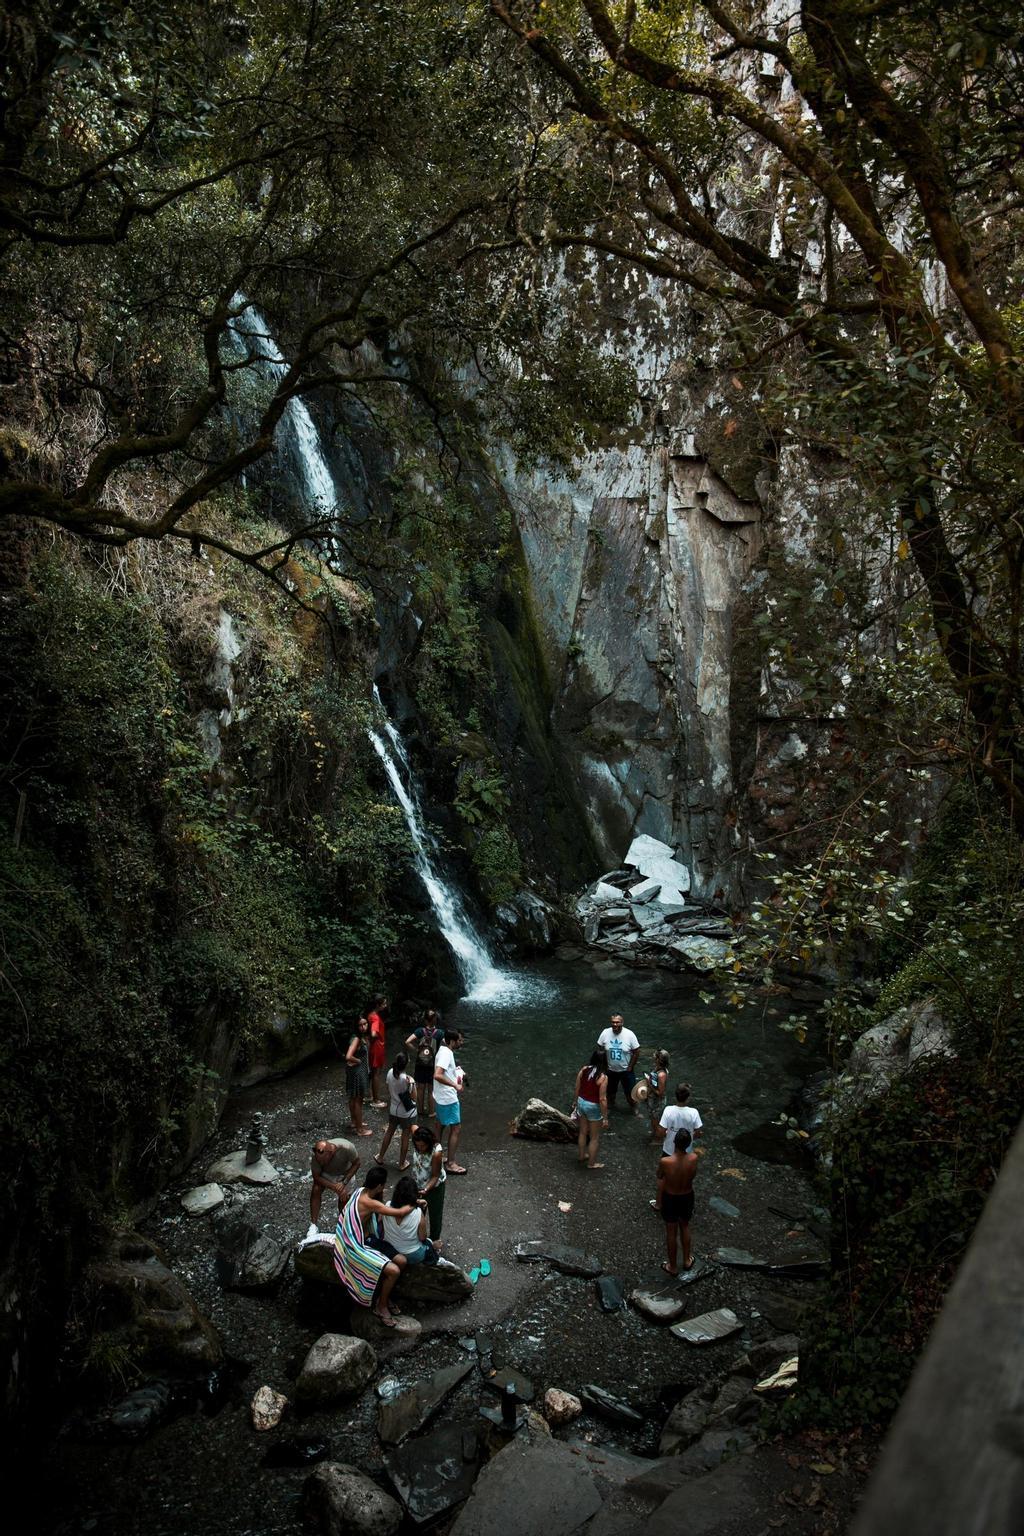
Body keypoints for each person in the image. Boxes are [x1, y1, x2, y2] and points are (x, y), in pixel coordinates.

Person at [333, 1163, 415, 1327]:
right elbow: (399, 1212)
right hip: (357, 1244)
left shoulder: (360, 1191)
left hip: (369, 1238)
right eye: (383, 1185)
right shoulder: (369, 1202)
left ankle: (385, 1295)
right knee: (394, 1270)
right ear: (378, 1186)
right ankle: (381, 1306)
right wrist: (414, 1202)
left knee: (402, 1261)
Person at [656, 1127, 699, 1273]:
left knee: (671, 1231)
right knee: (685, 1226)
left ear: (674, 1142)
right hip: (687, 1195)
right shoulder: (694, 1158)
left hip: (670, 1197)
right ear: (688, 1143)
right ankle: (687, 1260)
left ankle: (672, 1266)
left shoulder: (666, 1161)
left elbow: (660, 1175)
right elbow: (693, 1175)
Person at [378, 1174, 438, 1266]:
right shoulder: (417, 1213)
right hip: (412, 1255)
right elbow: (422, 1237)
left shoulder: (387, 1206)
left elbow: (380, 1221)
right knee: (428, 1244)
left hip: (390, 1251)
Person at [307, 1138, 360, 1238]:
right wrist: (334, 1187)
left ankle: (344, 1223)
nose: (321, 1163)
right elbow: (316, 1177)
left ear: (331, 1153)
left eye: (323, 1161)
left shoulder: (347, 1147)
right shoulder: (317, 1157)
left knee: (344, 1198)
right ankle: (313, 1225)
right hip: (327, 1175)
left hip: (345, 1174)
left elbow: (357, 1163)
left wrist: (344, 1182)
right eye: (319, 1161)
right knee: (316, 1189)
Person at [433, 1027, 467, 1174]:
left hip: (440, 1096)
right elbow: (438, 1074)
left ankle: (435, 1156)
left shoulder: (442, 1050)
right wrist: (456, 1085)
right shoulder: (447, 1054)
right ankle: (450, 1163)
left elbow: (444, 1072)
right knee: (456, 1128)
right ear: (452, 1041)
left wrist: (456, 1072)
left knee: (440, 1126)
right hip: (448, 1098)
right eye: (459, 1040)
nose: (461, 1043)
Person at [377, 1052, 417, 1169]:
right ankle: (401, 1163)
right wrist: (412, 1085)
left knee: (390, 1131)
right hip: (407, 1113)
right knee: (405, 1136)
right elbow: (414, 1098)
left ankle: (380, 1156)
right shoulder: (408, 1079)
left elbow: (388, 1087)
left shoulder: (390, 1072)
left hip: (393, 1109)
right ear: (406, 1063)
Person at [574, 1047, 609, 1169]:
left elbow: (577, 1088)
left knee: (583, 1132)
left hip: (581, 1102)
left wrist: (575, 1103)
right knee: (594, 1138)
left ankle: (581, 1156)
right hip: (592, 1106)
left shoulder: (584, 1069)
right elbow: (602, 1099)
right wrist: (605, 1118)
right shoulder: (603, 1077)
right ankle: (592, 1164)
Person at [596, 1014, 640, 1111]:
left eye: (617, 1022)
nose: (615, 1024)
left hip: (626, 1071)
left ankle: (635, 1110)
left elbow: (636, 1051)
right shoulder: (605, 1033)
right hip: (610, 1070)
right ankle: (611, 1109)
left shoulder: (629, 1034)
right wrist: (603, 1065)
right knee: (610, 1093)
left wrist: (630, 1066)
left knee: (631, 1094)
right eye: (613, 1022)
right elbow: (599, 1049)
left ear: (622, 1023)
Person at [410, 1123, 446, 1240]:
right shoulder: (416, 1137)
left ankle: (435, 1240)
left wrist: (425, 1189)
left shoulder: (436, 1153)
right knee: (417, 1213)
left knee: (435, 1214)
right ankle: (418, 1238)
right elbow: (413, 1126)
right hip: (417, 1184)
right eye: (418, 1145)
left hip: (434, 1187)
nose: (420, 1148)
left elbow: (435, 1176)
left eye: (423, 1146)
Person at [406, 1006, 443, 1117]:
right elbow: (444, 1046)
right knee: (431, 1090)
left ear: (425, 1020)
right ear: (435, 1019)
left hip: (420, 1063)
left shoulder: (420, 1031)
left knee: (420, 1088)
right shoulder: (440, 1033)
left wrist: (417, 1050)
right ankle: (431, 1112)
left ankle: (420, 1111)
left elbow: (407, 1041)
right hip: (433, 1065)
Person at [345, 1016, 373, 1137]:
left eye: (365, 1024)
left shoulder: (357, 1037)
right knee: (358, 1100)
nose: (363, 1027)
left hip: (353, 1071)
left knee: (353, 1097)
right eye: (360, 1025)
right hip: (358, 1071)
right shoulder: (356, 1038)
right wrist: (359, 1061)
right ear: (356, 1026)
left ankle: (354, 1122)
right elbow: (348, 1056)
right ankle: (360, 1129)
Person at [658, 1082, 703, 1157]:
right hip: (686, 1150)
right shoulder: (694, 1112)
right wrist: (690, 1138)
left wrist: (667, 1135)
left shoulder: (668, 1110)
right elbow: (698, 1132)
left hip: (669, 1149)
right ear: (688, 1098)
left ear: (676, 1096)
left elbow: (661, 1132)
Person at [367, 994, 389, 1108]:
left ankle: (369, 1094)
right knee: (376, 1073)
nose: (385, 1005)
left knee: (372, 1071)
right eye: (384, 1003)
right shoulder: (375, 1017)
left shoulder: (370, 1015)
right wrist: (375, 1037)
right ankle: (376, 1100)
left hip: (373, 1046)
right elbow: (373, 1032)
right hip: (377, 1046)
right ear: (377, 1004)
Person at [646, 1050, 671, 1142]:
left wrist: (649, 1084)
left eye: (655, 1056)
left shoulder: (661, 1074)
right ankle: (656, 1134)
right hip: (652, 1099)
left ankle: (659, 1140)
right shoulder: (657, 1068)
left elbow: (660, 1093)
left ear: (658, 1060)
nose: (653, 1056)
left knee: (657, 1122)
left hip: (657, 1102)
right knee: (653, 1120)